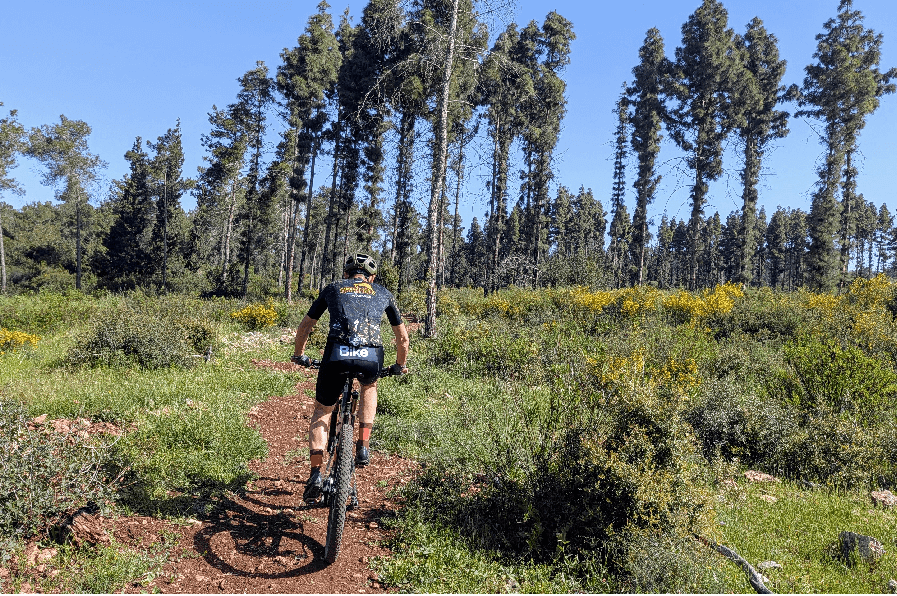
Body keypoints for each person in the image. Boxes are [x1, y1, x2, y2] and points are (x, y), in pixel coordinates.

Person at [291, 253, 409, 502]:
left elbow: (306, 326)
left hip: (336, 354)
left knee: (322, 410)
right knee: (369, 385)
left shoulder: (333, 288)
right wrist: (400, 365)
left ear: (346, 274)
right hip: (371, 357)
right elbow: (402, 338)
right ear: (371, 277)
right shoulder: (383, 293)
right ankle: (363, 446)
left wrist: (299, 355)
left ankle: (315, 473)